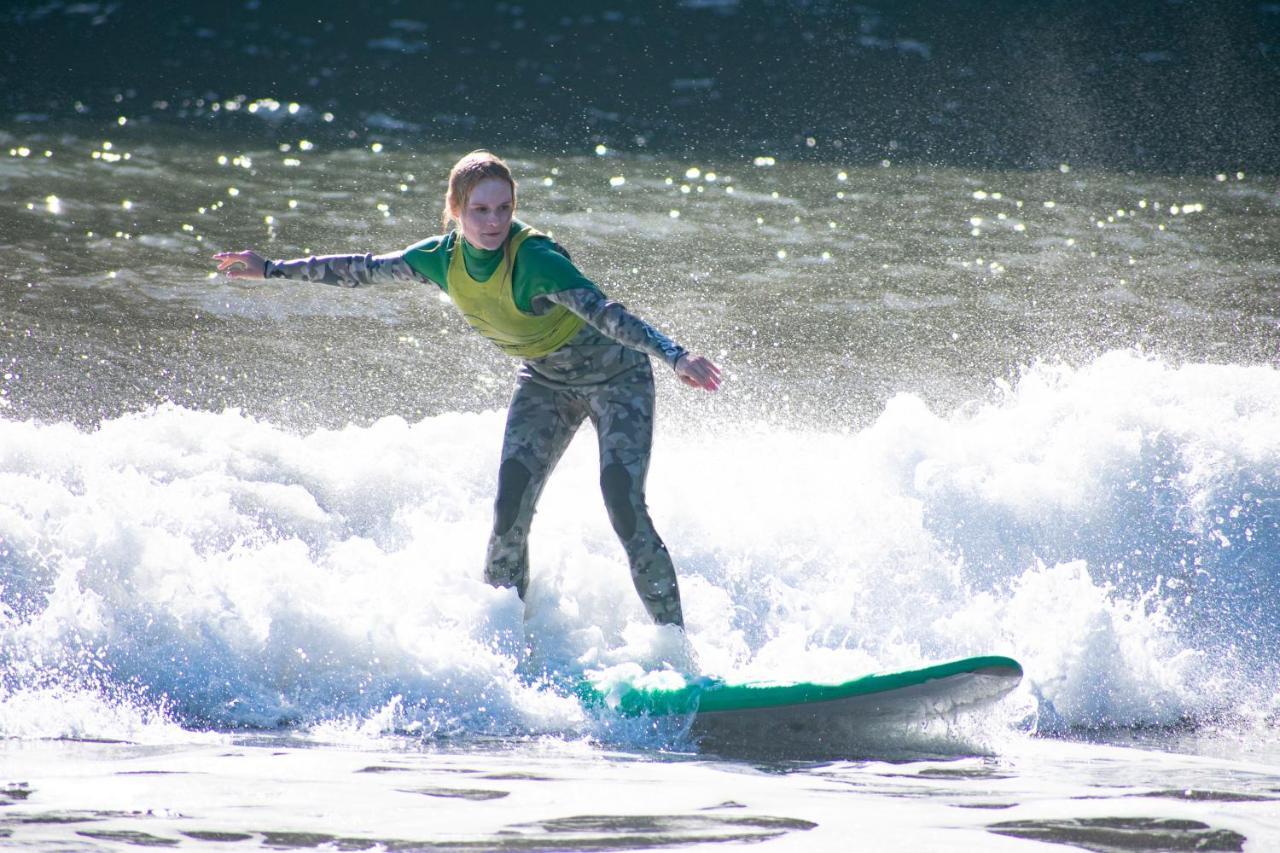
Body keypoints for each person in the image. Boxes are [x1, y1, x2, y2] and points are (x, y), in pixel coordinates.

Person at [214, 150, 720, 629]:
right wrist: (272, 269)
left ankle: (675, 646)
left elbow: (608, 315)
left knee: (621, 501)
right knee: (508, 514)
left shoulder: (536, 260)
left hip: (617, 381)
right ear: (455, 210)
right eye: (479, 210)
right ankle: (506, 644)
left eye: (503, 208)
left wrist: (675, 355)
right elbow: (362, 269)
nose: (493, 222)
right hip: (545, 382)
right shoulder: (439, 258)